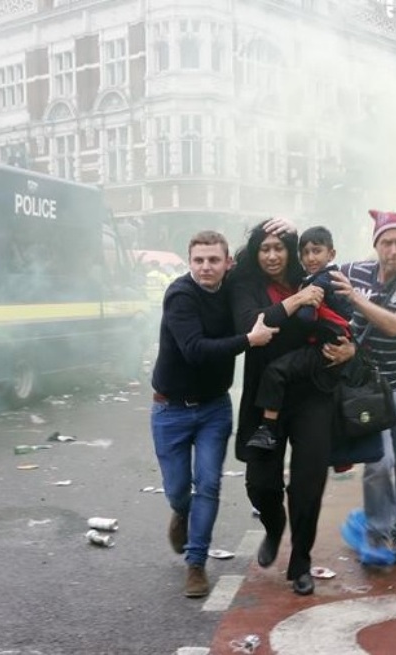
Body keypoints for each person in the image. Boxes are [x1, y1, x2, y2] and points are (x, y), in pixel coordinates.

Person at [230, 221, 355, 596]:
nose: (272, 255)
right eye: (264, 248)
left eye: (279, 247)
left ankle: (300, 561)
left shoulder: (316, 276)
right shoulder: (246, 283)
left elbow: (348, 320)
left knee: (308, 483)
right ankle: (272, 526)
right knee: (260, 483)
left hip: (313, 394)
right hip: (265, 395)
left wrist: (352, 349)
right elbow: (248, 323)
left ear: (292, 251)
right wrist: (297, 302)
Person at [151, 230, 277, 598]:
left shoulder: (233, 287)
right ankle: (180, 511)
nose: (206, 267)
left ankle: (196, 563)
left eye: (213, 260)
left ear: (227, 263)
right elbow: (194, 349)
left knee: (208, 484)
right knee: (179, 490)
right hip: (169, 409)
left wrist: (275, 225)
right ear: (189, 262)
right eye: (199, 260)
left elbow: (261, 256)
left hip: (213, 409)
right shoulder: (180, 295)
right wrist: (248, 342)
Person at [330, 206, 396, 564]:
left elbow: (395, 325)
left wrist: (356, 298)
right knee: (377, 464)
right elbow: (310, 272)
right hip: (367, 391)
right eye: (387, 242)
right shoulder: (352, 271)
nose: (394, 250)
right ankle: (376, 532)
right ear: (376, 245)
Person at [246, 226, 352, 452]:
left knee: (276, 372)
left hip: (325, 346)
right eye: (305, 252)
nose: (310, 257)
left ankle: (267, 428)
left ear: (331, 254)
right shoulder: (320, 277)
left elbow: (306, 316)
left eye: (317, 251)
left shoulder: (323, 279)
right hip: (327, 344)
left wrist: (298, 310)